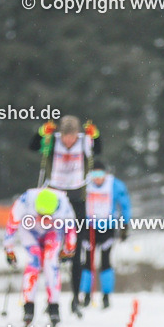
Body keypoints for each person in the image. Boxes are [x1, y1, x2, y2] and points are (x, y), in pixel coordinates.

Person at [29, 115, 101, 316]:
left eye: (72, 137)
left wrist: (95, 135)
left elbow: (98, 150)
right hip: (55, 199)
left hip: (78, 198)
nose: (68, 141)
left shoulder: (83, 141)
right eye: (66, 137)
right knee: (53, 249)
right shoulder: (54, 140)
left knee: (77, 249)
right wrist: (42, 132)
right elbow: (34, 146)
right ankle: (52, 299)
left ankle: (76, 298)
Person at [3, 187, 77, 326]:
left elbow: (71, 229)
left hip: (53, 232)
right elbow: (11, 224)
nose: (44, 220)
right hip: (30, 232)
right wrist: (9, 249)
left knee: (50, 262)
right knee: (33, 262)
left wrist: (68, 250)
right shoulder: (25, 201)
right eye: (41, 215)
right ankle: (28, 307)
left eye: (48, 217)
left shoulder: (64, 205)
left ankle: (54, 306)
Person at [80, 160, 132, 308]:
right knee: (88, 262)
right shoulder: (85, 185)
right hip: (89, 228)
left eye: (100, 174)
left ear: (106, 174)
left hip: (107, 229)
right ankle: (86, 295)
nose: (97, 178)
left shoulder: (115, 185)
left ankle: (106, 295)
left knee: (105, 261)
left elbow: (125, 205)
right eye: (94, 174)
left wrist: (124, 225)